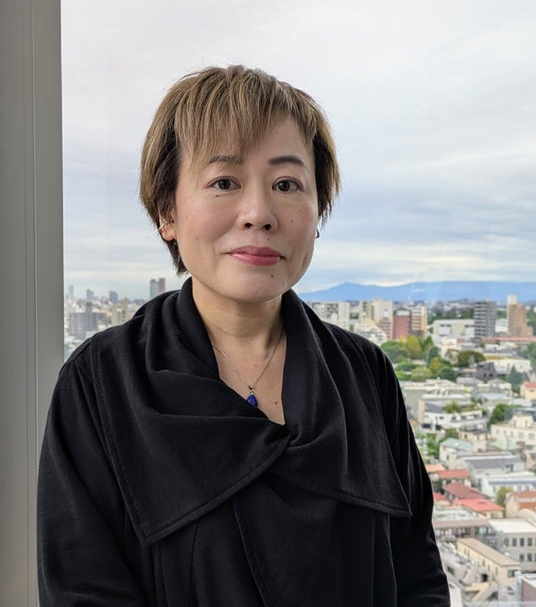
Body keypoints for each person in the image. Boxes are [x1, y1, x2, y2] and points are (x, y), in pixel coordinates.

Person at [38, 65, 450, 606]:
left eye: (287, 185)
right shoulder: (104, 383)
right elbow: (82, 591)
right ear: (167, 211)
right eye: (224, 183)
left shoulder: (363, 373)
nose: (259, 214)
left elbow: (418, 577)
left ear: (317, 212)